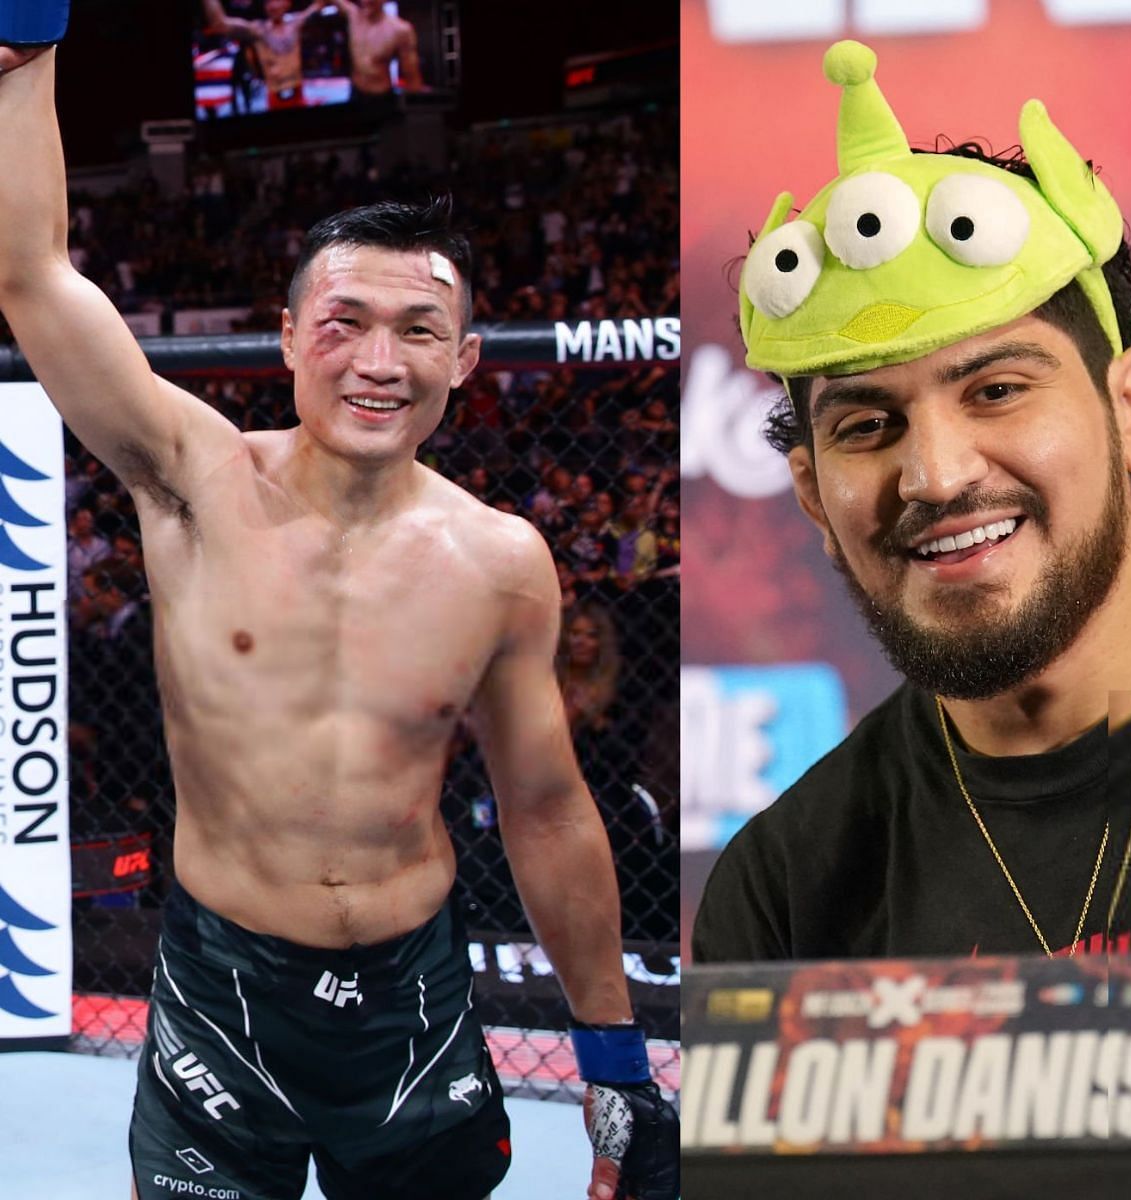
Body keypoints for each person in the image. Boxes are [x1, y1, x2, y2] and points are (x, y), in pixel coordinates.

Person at [0, 36, 672, 1200]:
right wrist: (32, 42)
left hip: (412, 1007)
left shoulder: (501, 562)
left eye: (417, 330)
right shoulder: (191, 479)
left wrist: (613, 1061)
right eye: (344, 320)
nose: (378, 361)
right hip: (219, 995)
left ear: (464, 360)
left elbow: (549, 808)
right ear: (286, 334)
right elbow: (33, 276)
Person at [692, 41, 1131, 1082]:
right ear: (812, 499)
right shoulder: (785, 892)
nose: (935, 473)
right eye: (868, 425)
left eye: (997, 390)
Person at [199, 0, 320, 112]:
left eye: (276, 0)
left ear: (287, 3)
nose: (272, 6)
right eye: (268, 2)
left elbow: (320, 4)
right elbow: (220, 24)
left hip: (298, 95)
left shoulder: (296, 22)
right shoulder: (258, 29)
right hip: (274, 98)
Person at [338, 0, 423, 99]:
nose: (366, 1)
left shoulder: (400, 30)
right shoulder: (353, 16)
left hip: (381, 99)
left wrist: (415, 108)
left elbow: (411, 75)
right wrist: (317, 7)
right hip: (356, 93)